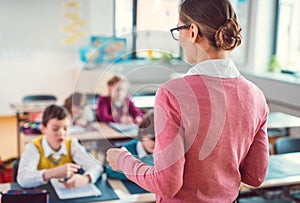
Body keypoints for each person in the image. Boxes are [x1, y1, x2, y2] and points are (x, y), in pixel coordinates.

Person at [106, 0, 269, 202]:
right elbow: (255, 176)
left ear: (192, 31)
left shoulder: (172, 93)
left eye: (178, 29)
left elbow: (167, 184)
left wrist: (123, 161)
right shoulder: (256, 96)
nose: (179, 39)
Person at [17, 104, 103, 188]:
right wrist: (51, 173)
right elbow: (23, 179)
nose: (61, 133)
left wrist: (86, 179)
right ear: (43, 129)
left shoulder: (71, 144)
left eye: (65, 128)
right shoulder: (34, 147)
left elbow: (97, 166)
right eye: (55, 129)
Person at [106, 110, 155, 180]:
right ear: (142, 133)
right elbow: (110, 171)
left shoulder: (163, 153)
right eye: (152, 139)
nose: (156, 144)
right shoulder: (128, 149)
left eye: (161, 141)